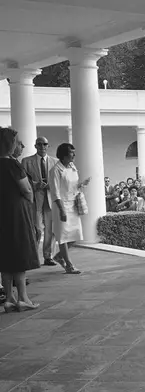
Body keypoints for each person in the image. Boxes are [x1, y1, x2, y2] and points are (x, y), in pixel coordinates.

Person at [0, 127, 40, 312]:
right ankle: (23, 297)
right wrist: (30, 204)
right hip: (16, 211)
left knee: (5, 254)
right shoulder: (12, 164)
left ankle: (9, 298)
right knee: (19, 251)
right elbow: (26, 190)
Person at [50, 143, 90, 274]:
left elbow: (72, 185)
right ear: (64, 154)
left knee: (75, 234)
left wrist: (81, 185)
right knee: (63, 236)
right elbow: (55, 192)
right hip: (61, 205)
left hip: (73, 204)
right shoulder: (55, 170)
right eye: (72, 152)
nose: (74, 155)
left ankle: (59, 256)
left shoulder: (72, 166)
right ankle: (69, 265)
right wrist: (61, 210)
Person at [21, 136, 58, 266]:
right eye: (40, 144)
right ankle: (33, 257)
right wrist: (35, 185)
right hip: (34, 198)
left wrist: (51, 186)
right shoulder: (26, 161)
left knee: (50, 229)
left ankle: (48, 256)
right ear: (35, 146)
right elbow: (23, 179)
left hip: (49, 198)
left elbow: (59, 181)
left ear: (48, 146)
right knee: (36, 229)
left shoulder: (55, 162)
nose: (42, 146)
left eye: (45, 144)